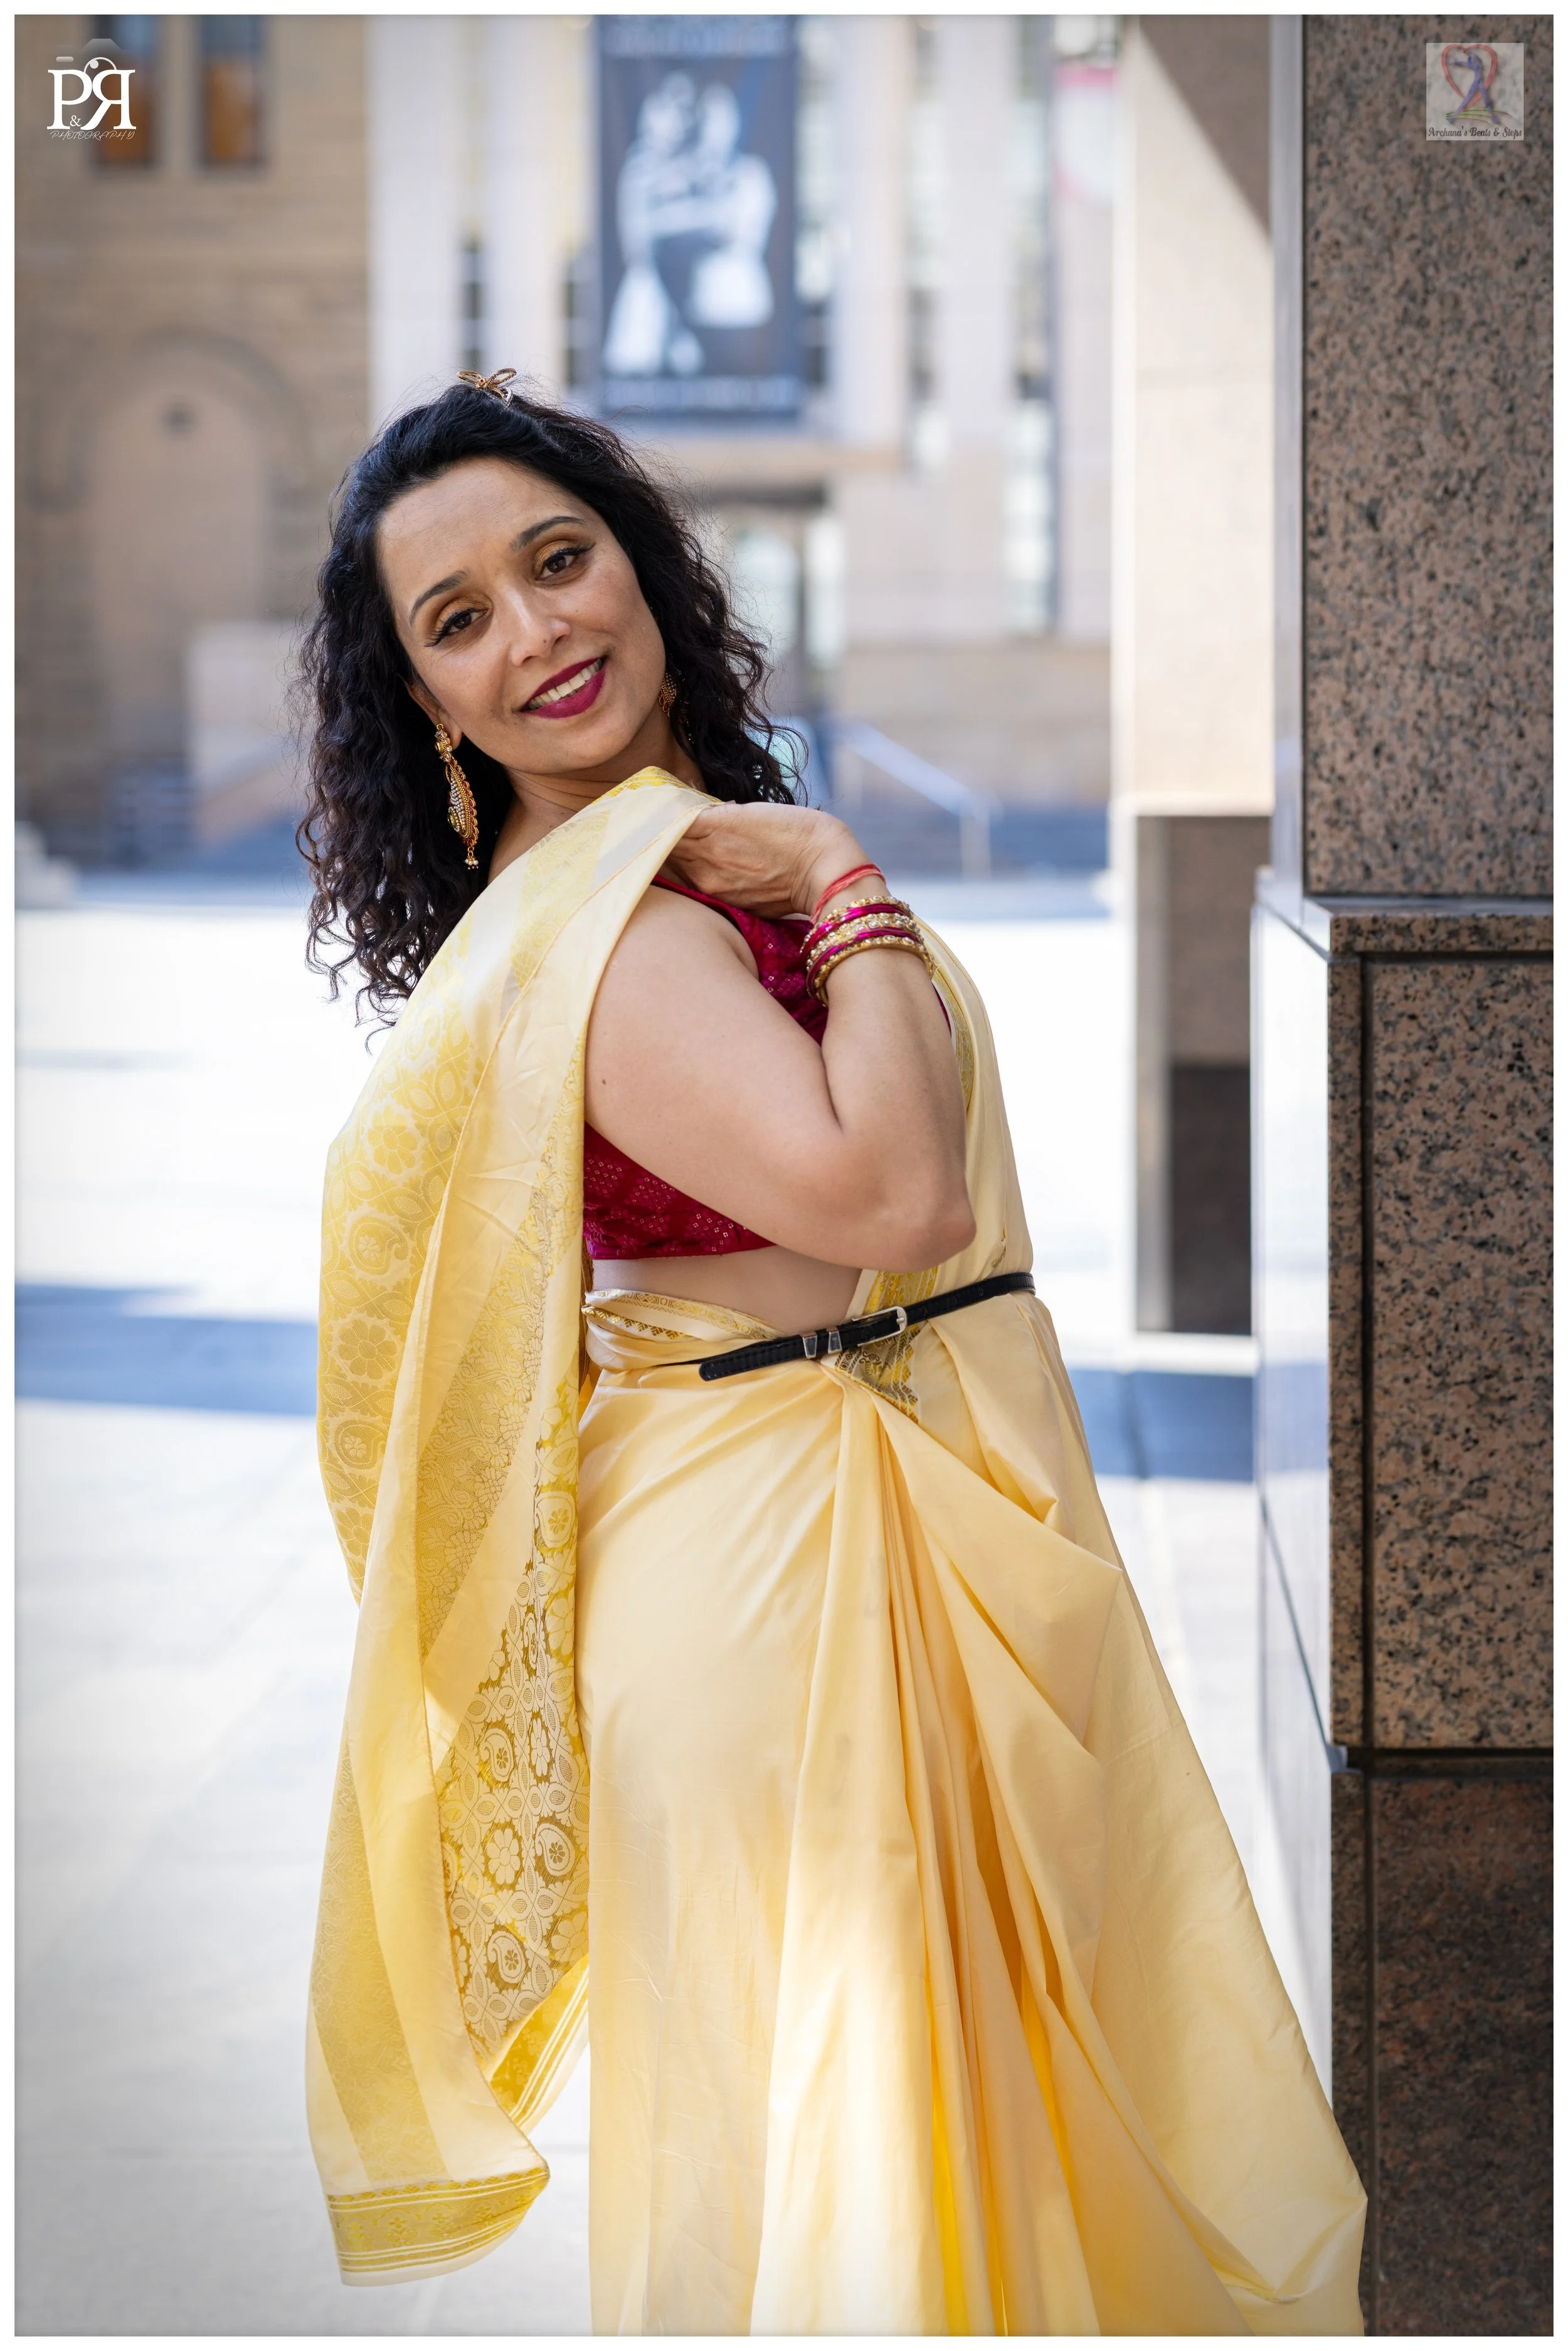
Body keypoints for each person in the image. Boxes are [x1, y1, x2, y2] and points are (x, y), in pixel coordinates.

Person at [300, 371, 1366, 2334]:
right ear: (424, 708)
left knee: (934, 2127)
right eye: (457, 621)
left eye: (559, 559)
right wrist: (845, 882)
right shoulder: (613, 926)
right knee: (870, 2150)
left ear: (639, 559)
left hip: (822, 1506)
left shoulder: (682, 847)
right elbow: (891, 1198)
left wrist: (799, 876)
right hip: (769, 1577)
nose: (536, 632)